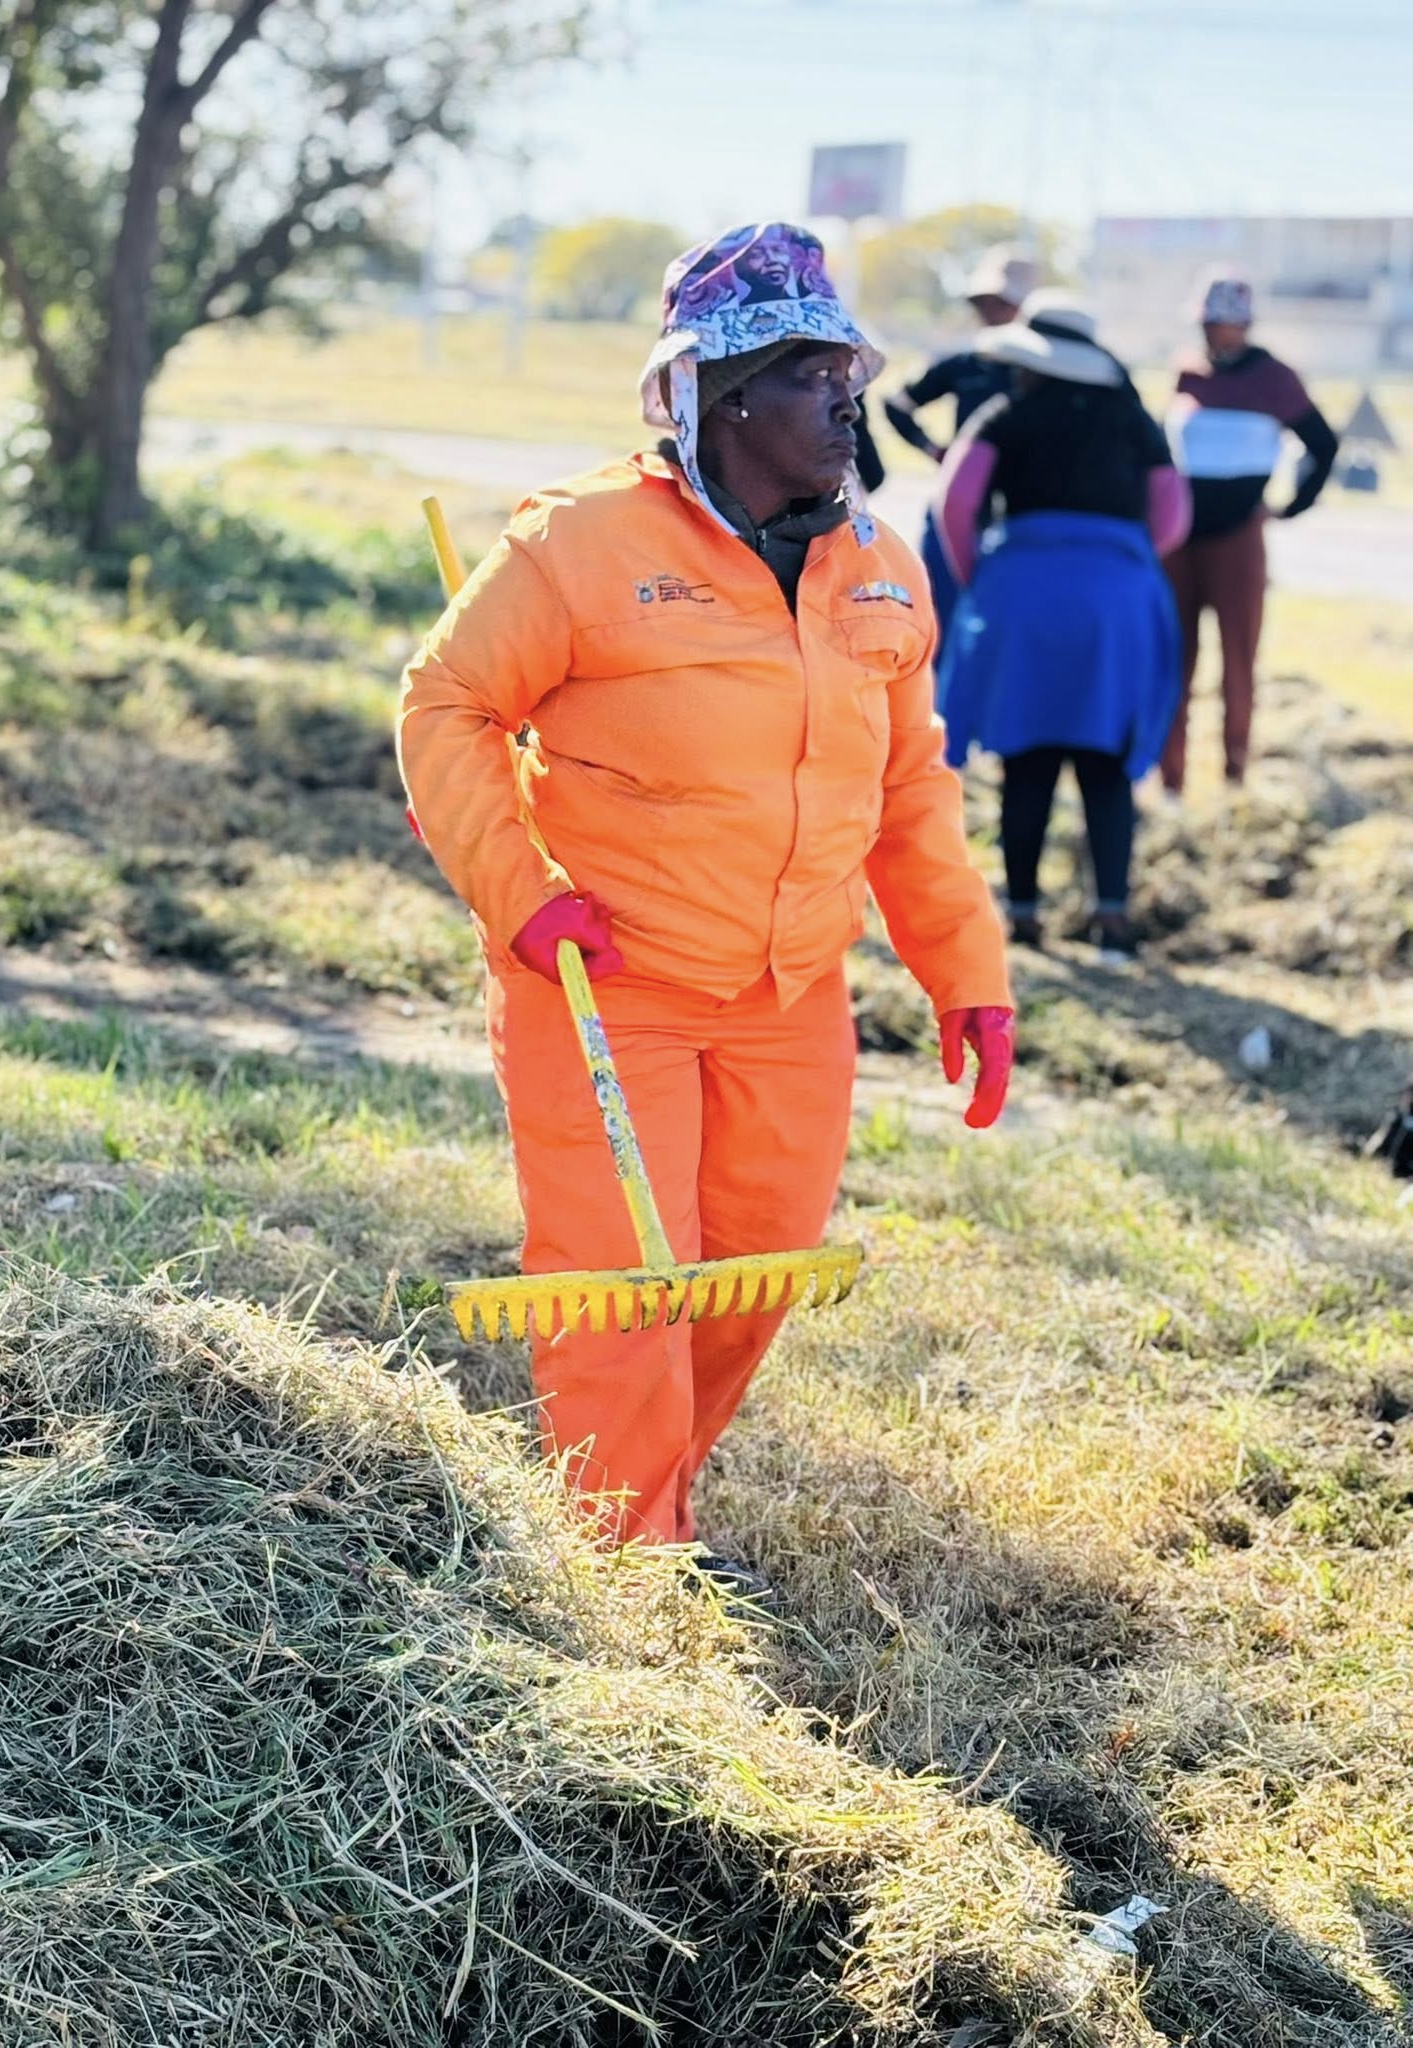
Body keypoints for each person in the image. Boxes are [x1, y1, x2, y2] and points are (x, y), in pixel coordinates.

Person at [399, 222, 1014, 1568]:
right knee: (627, 1281)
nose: (845, 398)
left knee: (751, 1267)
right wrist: (521, 895)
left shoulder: (883, 566)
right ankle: (630, 1568)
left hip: (792, 992)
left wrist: (966, 972)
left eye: (847, 370)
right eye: (808, 375)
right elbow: (445, 706)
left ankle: (650, 1499)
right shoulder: (579, 542)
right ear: (718, 395)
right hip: (604, 980)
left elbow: (912, 789)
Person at [934, 292, 1191, 963]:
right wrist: (1122, 562)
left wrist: (982, 577)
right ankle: (1112, 922)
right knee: (1107, 763)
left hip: (1021, 597)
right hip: (1115, 604)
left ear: (1030, 362)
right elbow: (1172, 515)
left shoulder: (1003, 414)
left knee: (1027, 759)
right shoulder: (1135, 419)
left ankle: (1022, 918)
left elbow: (954, 504)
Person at [1160, 271, 1340, 793]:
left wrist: (1290, 507)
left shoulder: (1275, 379)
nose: (1214, 332)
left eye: (1224, 323)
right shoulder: (1187, 372)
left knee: (1238, 658)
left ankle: (1234, 774)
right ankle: (1170, 778)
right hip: (1181, 536)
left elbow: (1323, 445)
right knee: (1173, 658)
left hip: (1238, 535)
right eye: (1207, 323)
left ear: (1244, 324)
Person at [882, 246, 1038, 644]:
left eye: (1001, 302)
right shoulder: (967, 363)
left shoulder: (1044, 372)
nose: (990, 311)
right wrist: (935, 451)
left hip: (1020, 513)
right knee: (942, 618)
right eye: (983, 302)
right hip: (960, 505)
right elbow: (897, 404)